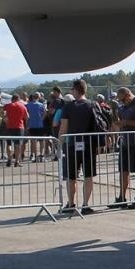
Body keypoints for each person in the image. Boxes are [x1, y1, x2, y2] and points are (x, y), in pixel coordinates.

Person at [58, 80, 100, 215]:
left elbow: (63, 128)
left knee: (71, 176)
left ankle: (71, 204)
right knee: (88, 175)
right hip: (89, 144)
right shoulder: (92, 104)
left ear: (75, 90)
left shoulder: (68, 107)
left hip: (72, 144)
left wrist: (59, 144)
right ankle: (85, 205)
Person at [112, 86, 135, 207]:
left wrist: (127, 123)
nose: (121, 102)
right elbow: (121, 120)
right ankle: (122, 198)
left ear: (128, 95)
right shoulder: (124, 106)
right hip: (125, 141)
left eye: (122, 100)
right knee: (123, 170)